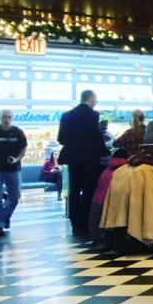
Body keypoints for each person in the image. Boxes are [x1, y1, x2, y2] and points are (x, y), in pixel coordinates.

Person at [58, 90, 110, 236]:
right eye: (95, 98)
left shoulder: (66, 115)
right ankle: (84, 223)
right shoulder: (92, 114)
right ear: (90, 98)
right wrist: (105, 151)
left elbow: (61, 138)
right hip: (89, 158)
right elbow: (96, 135)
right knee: (89, 190)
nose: (96, 102)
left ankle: (74, 222)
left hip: (72, 158)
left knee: (74, 189)